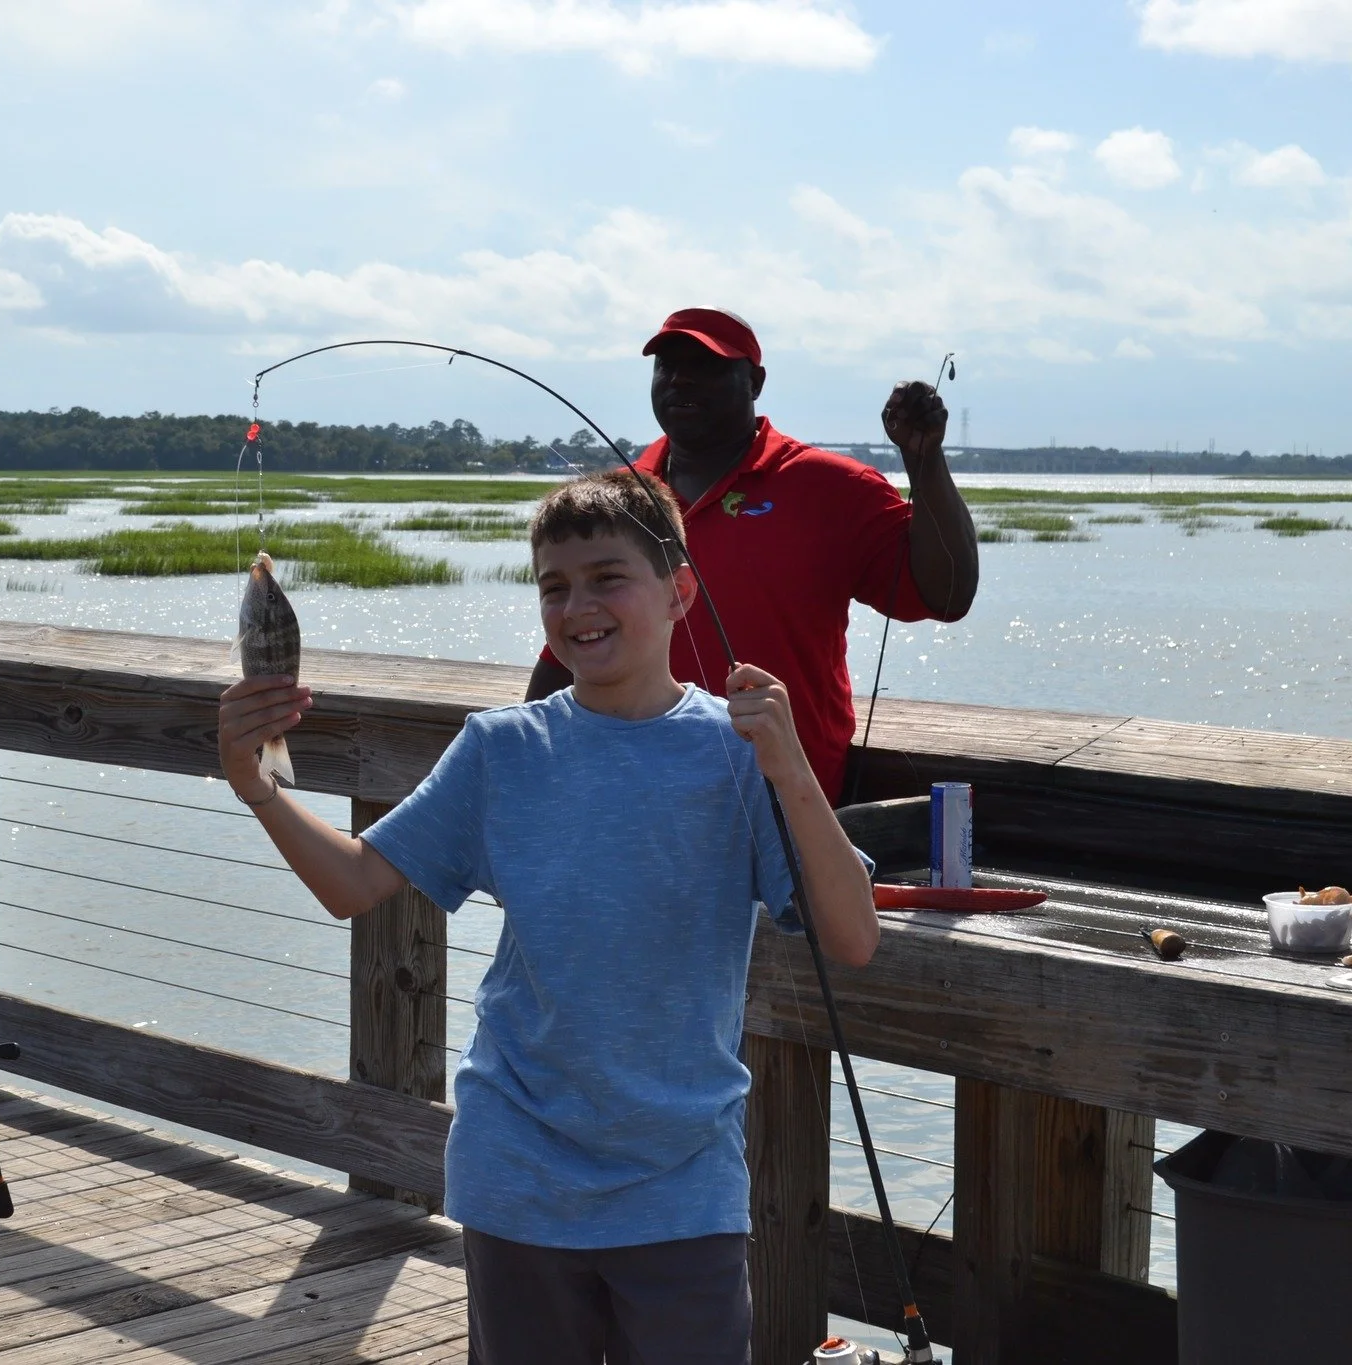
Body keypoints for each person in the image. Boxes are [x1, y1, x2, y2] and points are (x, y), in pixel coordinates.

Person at [218, 469, 879, 1364]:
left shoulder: (738, 752)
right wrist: (255, 786)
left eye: (610, 577)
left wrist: (793, 768)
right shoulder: (501, 747)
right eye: (554, 587)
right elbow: (355, 882)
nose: (580, 606)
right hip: (517, 1169)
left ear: (681, 591)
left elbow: (854, 934)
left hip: (685, 1185)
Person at [526, 308, 979, 805]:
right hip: (633, 798)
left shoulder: (832, 487)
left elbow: (949, 594)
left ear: (755, 382)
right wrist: (528, 767)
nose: (681, 378)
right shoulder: (619, 498)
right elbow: (570, 642)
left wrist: (924, 461)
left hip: (786, 806)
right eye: (667, 366)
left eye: (708, 365)